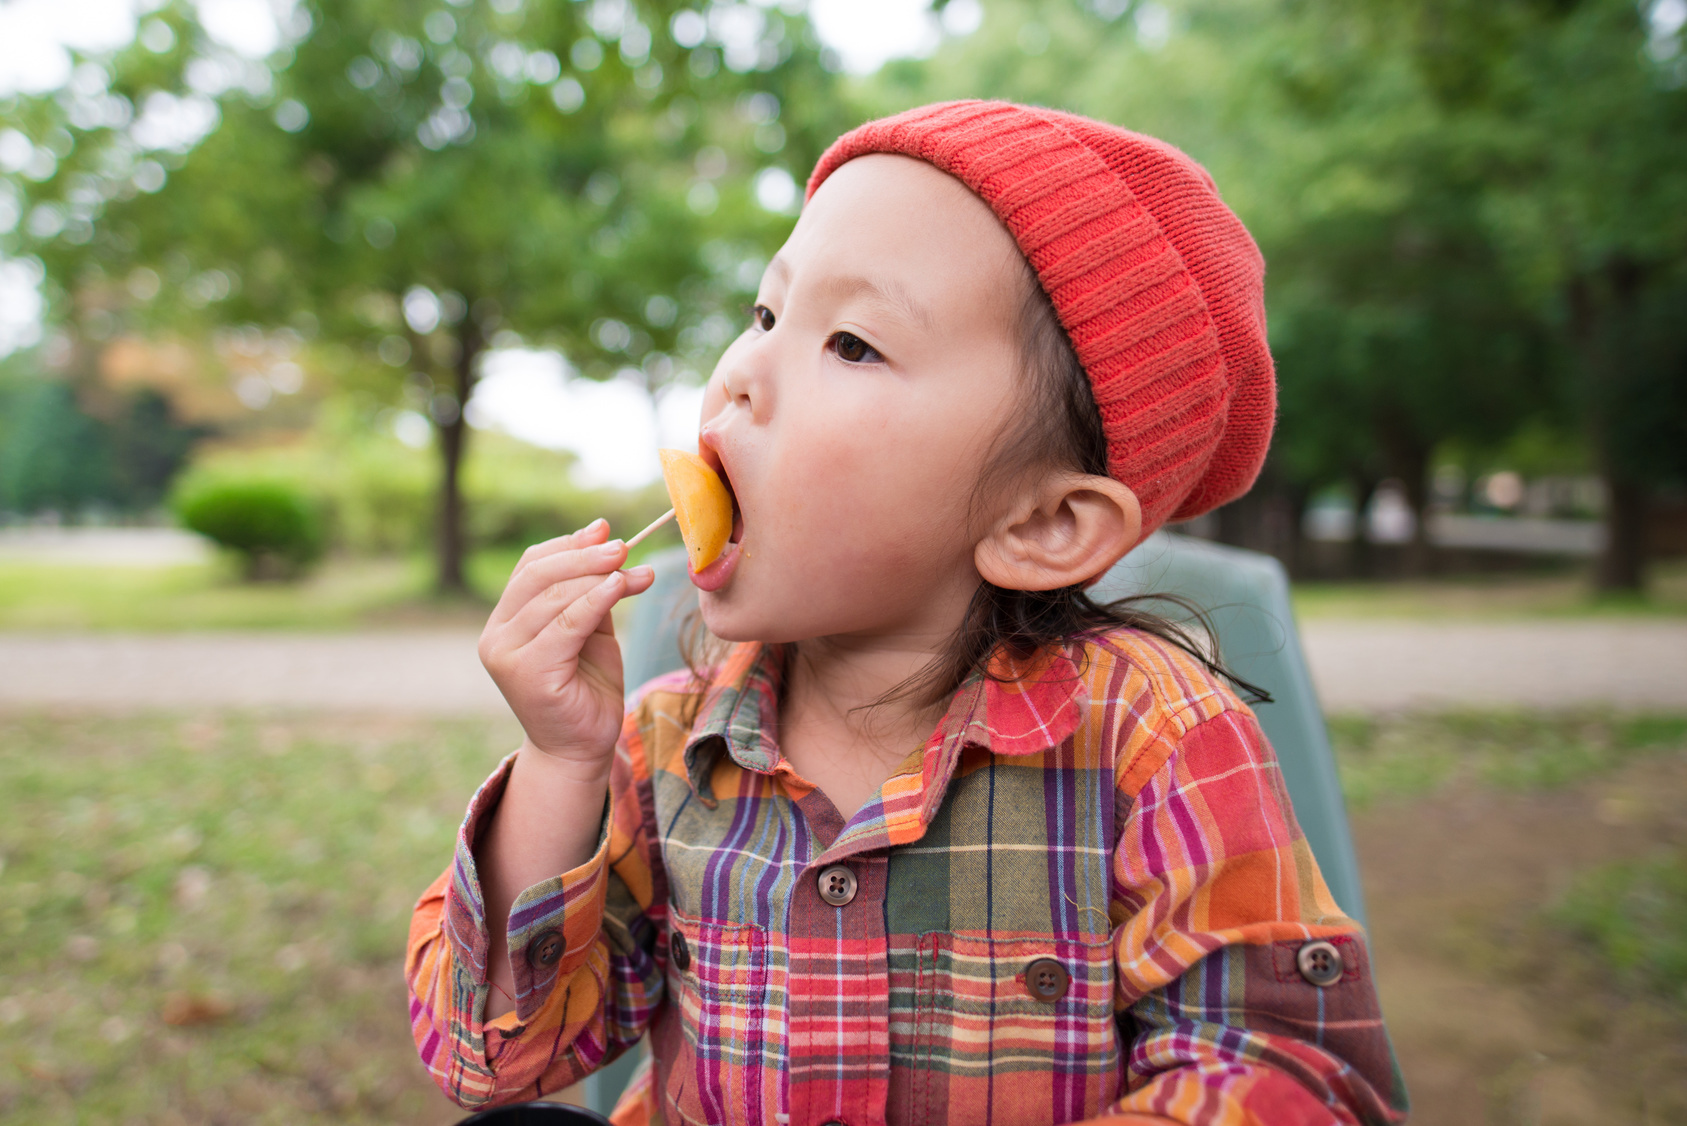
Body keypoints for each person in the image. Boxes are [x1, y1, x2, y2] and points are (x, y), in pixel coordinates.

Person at [406, 101, 1407, 1125]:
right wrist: (561, 765)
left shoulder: (1156, 737)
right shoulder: (665, 743)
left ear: (1045, 521)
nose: (741, 374)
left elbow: (1289, 1074)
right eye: (764, 316)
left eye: (849, 341)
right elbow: (489, 1056)